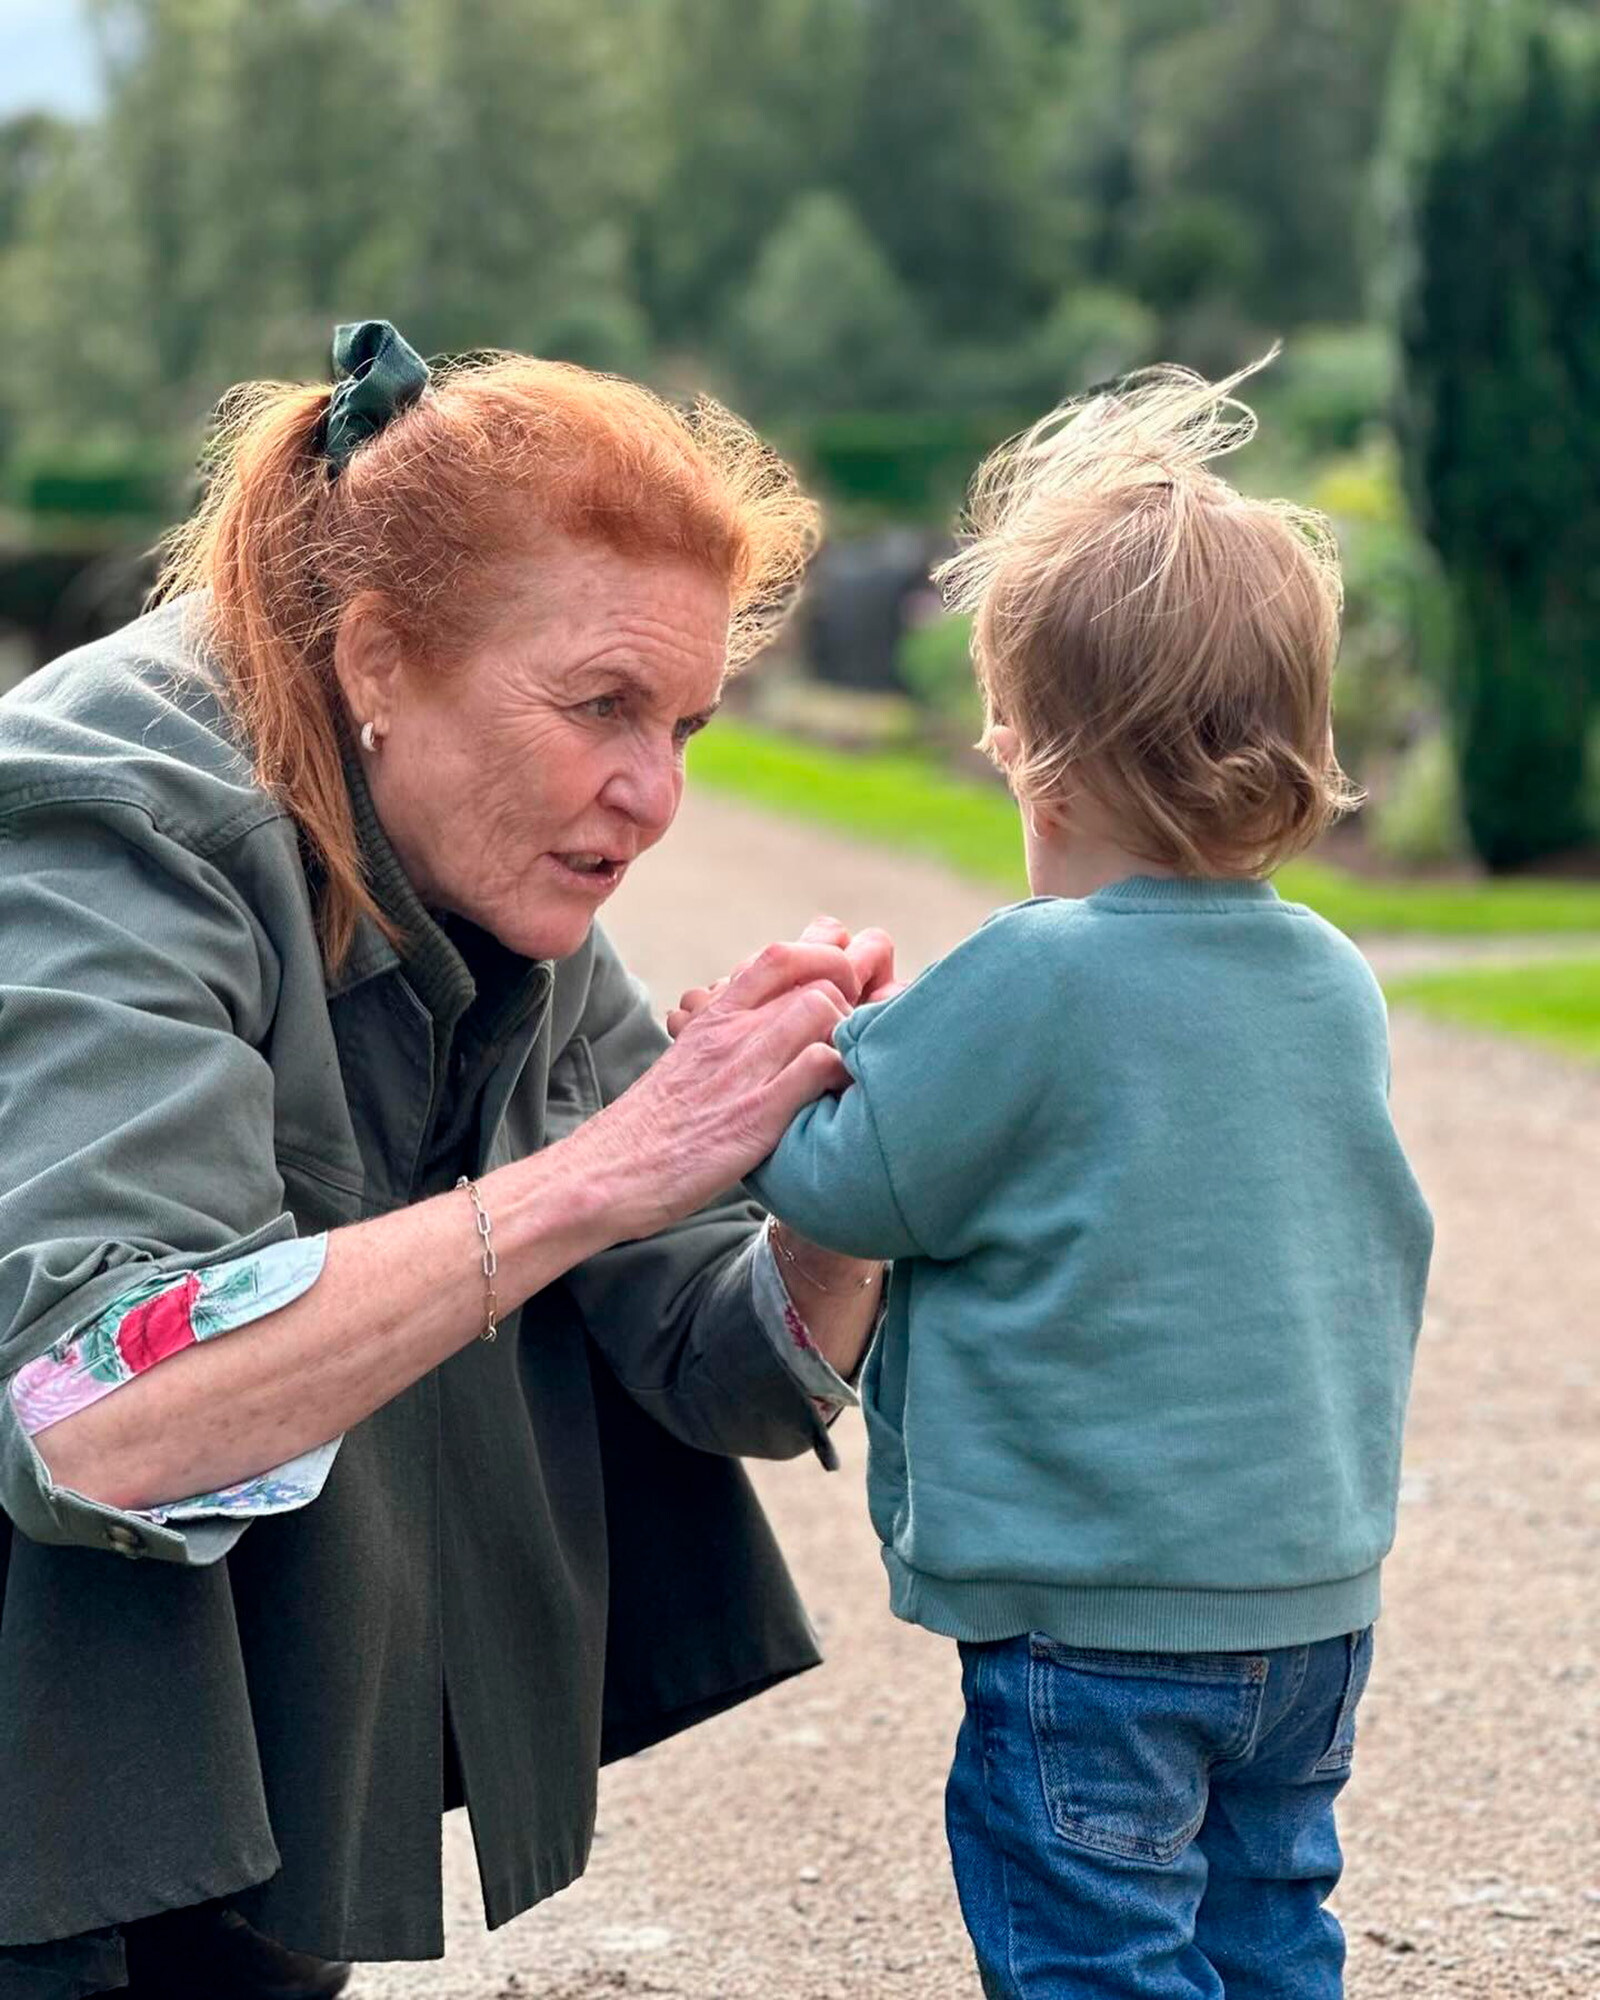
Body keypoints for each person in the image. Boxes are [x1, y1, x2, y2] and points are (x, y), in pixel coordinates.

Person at [0, 322, 894, 2000]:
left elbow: (726, 1372)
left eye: (690, 724)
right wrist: (609, 1169)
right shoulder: (101, 817)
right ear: (380, 661)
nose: (655, 793)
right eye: (603, 706)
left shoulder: (483, 854)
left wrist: (850, 1181)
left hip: (255, 1812)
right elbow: (92, 1419)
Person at [743, 361, 1435, 1998]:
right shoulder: (1334, 975)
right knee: (1269, 1924)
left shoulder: (1034, 974)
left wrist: (783, 1056)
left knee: (1098, 1954)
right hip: (1307, 1599)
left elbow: (851, 1189)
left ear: (1028, 754)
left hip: (1096, 1619)